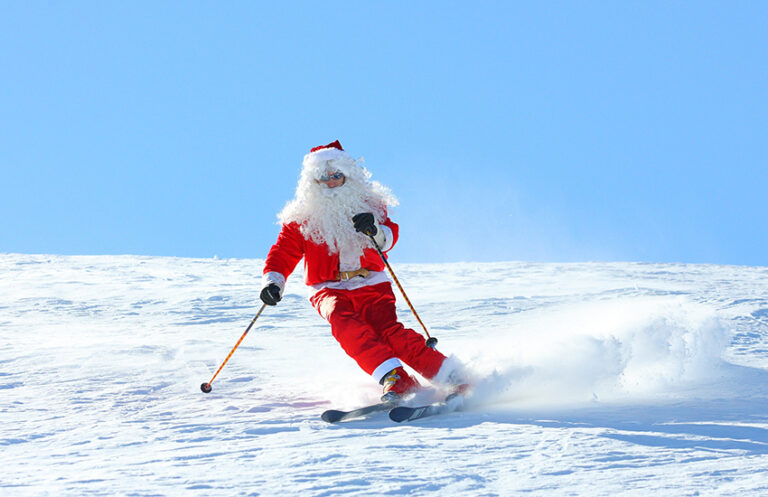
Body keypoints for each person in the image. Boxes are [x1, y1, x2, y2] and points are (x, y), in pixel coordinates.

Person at [260, 140, 465, 402]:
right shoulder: (301, 216)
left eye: (337, 176)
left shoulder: (370, 204)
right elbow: (282, 253)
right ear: (313, 182)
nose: (332, 182)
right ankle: (395, 377)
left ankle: (453, 377)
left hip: (371, 282)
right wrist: (273, 283)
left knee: (389, 331)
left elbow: (389, 237)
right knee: (343, 322)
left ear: (348, 175)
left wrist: (375, 230)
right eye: (324, 178)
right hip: (328, 287)